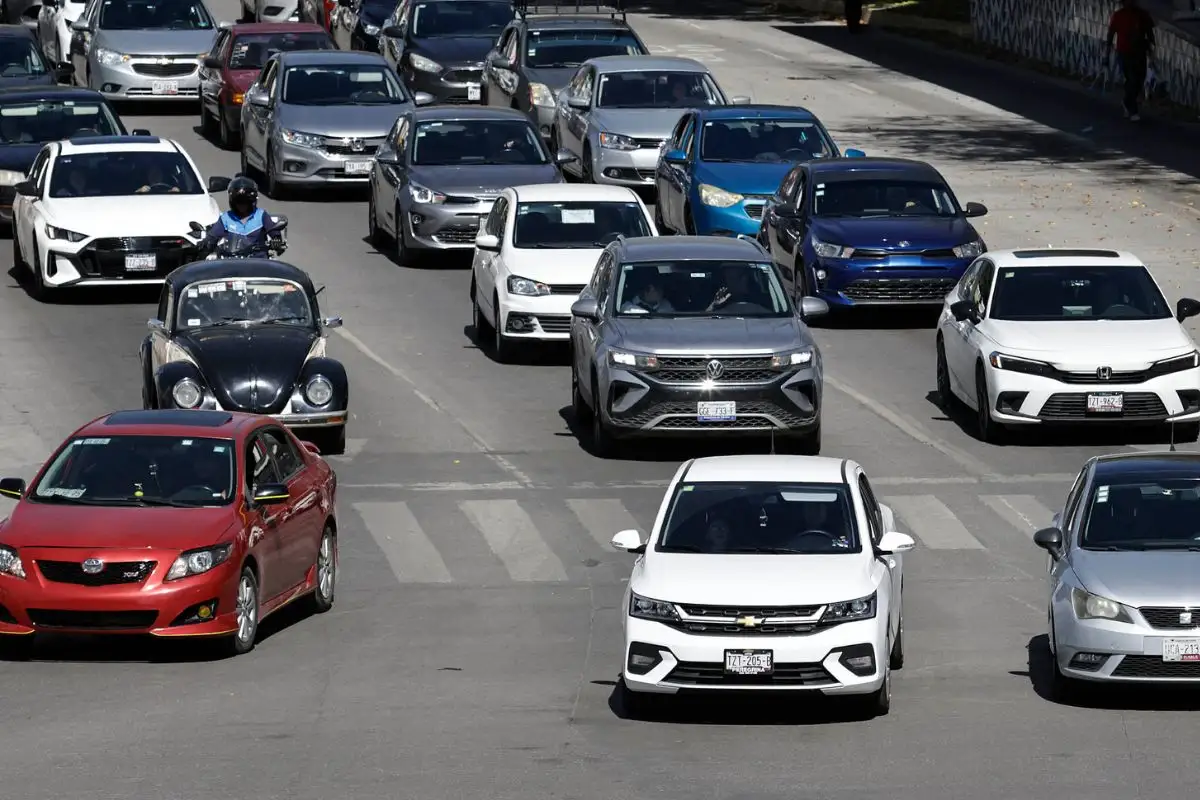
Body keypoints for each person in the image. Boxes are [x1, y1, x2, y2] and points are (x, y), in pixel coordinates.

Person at [198, 176, 286, 257]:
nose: (242, 206)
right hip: (231, 262)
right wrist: (204, 243)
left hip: (259, 263)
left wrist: (276, 240)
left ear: (252, 202)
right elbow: (213, 236)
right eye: (239, 202)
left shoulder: (261, 215)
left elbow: (275, 233)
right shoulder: (226, 218)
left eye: (245, 202)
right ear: (233, 202)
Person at [1106, 0, 1155, 121]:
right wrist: (1106, 54)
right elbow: (1111, 34)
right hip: (1124, 52)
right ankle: (1132, 108)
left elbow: (1150, 33)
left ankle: (1127, 101)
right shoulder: (1118, 16)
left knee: (1139, 79)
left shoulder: (1142, 15)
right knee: (1132, 78)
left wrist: (1151, 50)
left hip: (1140, 51)